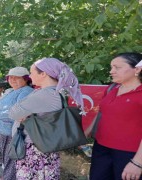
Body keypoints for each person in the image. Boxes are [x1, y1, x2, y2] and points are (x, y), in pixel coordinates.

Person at [9, 58, 84, 179]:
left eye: (32, 72)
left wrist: (26, 114)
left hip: (35, 150)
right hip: (45, 148)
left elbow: (13, 113)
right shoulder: (58, 92)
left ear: (43, 74)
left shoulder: (45, 94)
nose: (29, 75)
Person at [85, 52, 142, 180]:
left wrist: (137, 163)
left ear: (137, 69)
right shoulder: (112, 89)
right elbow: (102, 113)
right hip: (101, 149)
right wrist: (86, 132)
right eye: (111, 67)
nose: (112, 71)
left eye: (118, 67)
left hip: (130, 154)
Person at [0, 67, 33, 180]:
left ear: (26, 79)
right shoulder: (11, 91)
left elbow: (19, 111)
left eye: (17, 78)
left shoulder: (26, 91)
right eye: (10, 77)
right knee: (6, 157)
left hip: (9, 131)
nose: (13, 80)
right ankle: (6, 175)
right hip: (0, 130)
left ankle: (7, 177)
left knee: (11, 159)